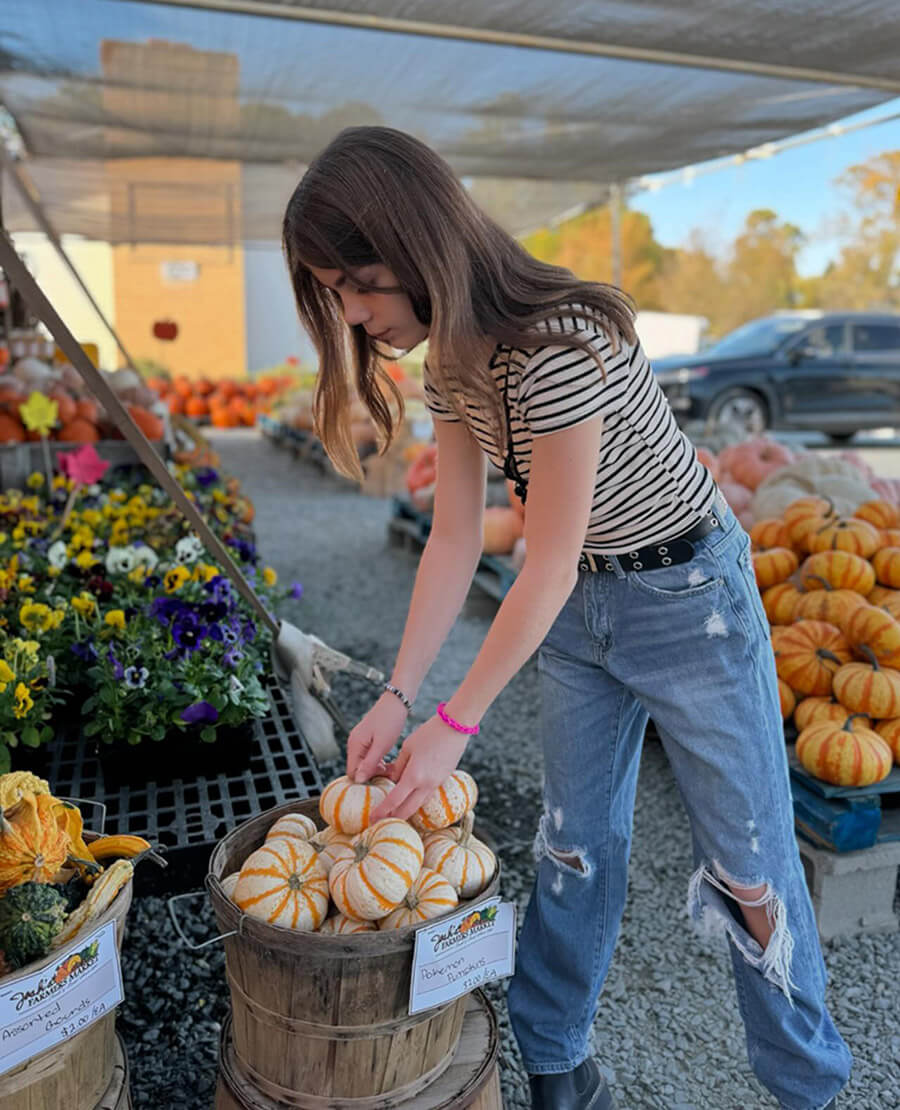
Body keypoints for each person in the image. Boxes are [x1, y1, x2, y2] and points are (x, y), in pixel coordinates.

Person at [282, 126, 852, 1110]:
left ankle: (809, 1089)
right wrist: (400, 696)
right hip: (582, 606)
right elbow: (458, 539)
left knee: (751, 871)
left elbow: (539, 556)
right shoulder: (449, 366)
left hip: (690, 603)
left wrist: (454, 727)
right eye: (334, 292)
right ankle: (559, 1072)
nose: (354, 313)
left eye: (360, 283)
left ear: (418, 244)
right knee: (572, 847)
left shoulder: (559, 344)